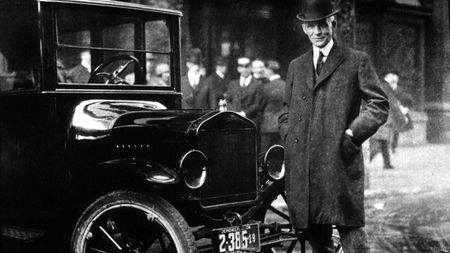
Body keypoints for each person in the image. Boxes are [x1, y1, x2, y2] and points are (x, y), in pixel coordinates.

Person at [278, 0, 389, 252]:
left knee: (351, 234)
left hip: (338, 162)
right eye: (311, 26)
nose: (317, 32)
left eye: (322, 25)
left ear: (332, 23)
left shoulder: (355, 60)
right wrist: (290, 136)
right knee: (317, 238)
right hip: (303, 166)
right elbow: (285, 111)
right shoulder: (296, 66)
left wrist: (352, 135)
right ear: (304, 29)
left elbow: (379, 104)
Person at [384, 71, 414, 153]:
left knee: (396, 130)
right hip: (390, 110)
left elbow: (405, 97)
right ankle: (387, 146)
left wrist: (404, 106)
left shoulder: (399, 88)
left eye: (396, 79)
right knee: (390, 129)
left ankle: (393, 146)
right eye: (393, 79)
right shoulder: (386, 87)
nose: (395, 80)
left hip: (398, 109)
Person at [260, 60, 285, 152]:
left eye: (265, 70)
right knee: (280, 153)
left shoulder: (266, 87)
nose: (264, 72)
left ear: (269, 71)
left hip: (267, 126)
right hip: (281, 125)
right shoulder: (285, 85)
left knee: (265, 154)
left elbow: (260, 106)